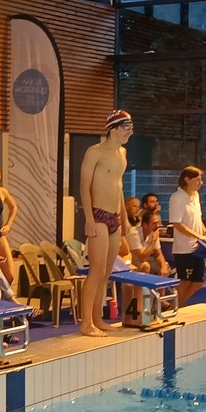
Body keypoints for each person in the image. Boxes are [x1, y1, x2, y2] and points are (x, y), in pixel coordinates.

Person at [78, 110, 136, 335]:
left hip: (115, 217)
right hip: (98, 215)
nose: (130, 133)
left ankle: (97, 319)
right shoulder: (95, 152)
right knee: (96, 271)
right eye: (126, 128)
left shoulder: (123, 153)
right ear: (114, 129)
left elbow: (118, 187)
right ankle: (86, 323)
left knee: (107, 272)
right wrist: (89, 219)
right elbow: (84, 187)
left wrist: (124, 218)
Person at [169, 165, 206, 308]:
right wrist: (200, 236)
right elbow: (177, 224)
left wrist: (205, 233)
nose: (201, 182)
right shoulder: (177, 198)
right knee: (185, 281)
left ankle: (177, 305)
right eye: (197, 179)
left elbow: (198, 219)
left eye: (201, 179)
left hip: (197, 247)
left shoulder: (196, 196)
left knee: (198, 282)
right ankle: (175, 307)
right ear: (187, 179)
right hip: (184, 248)